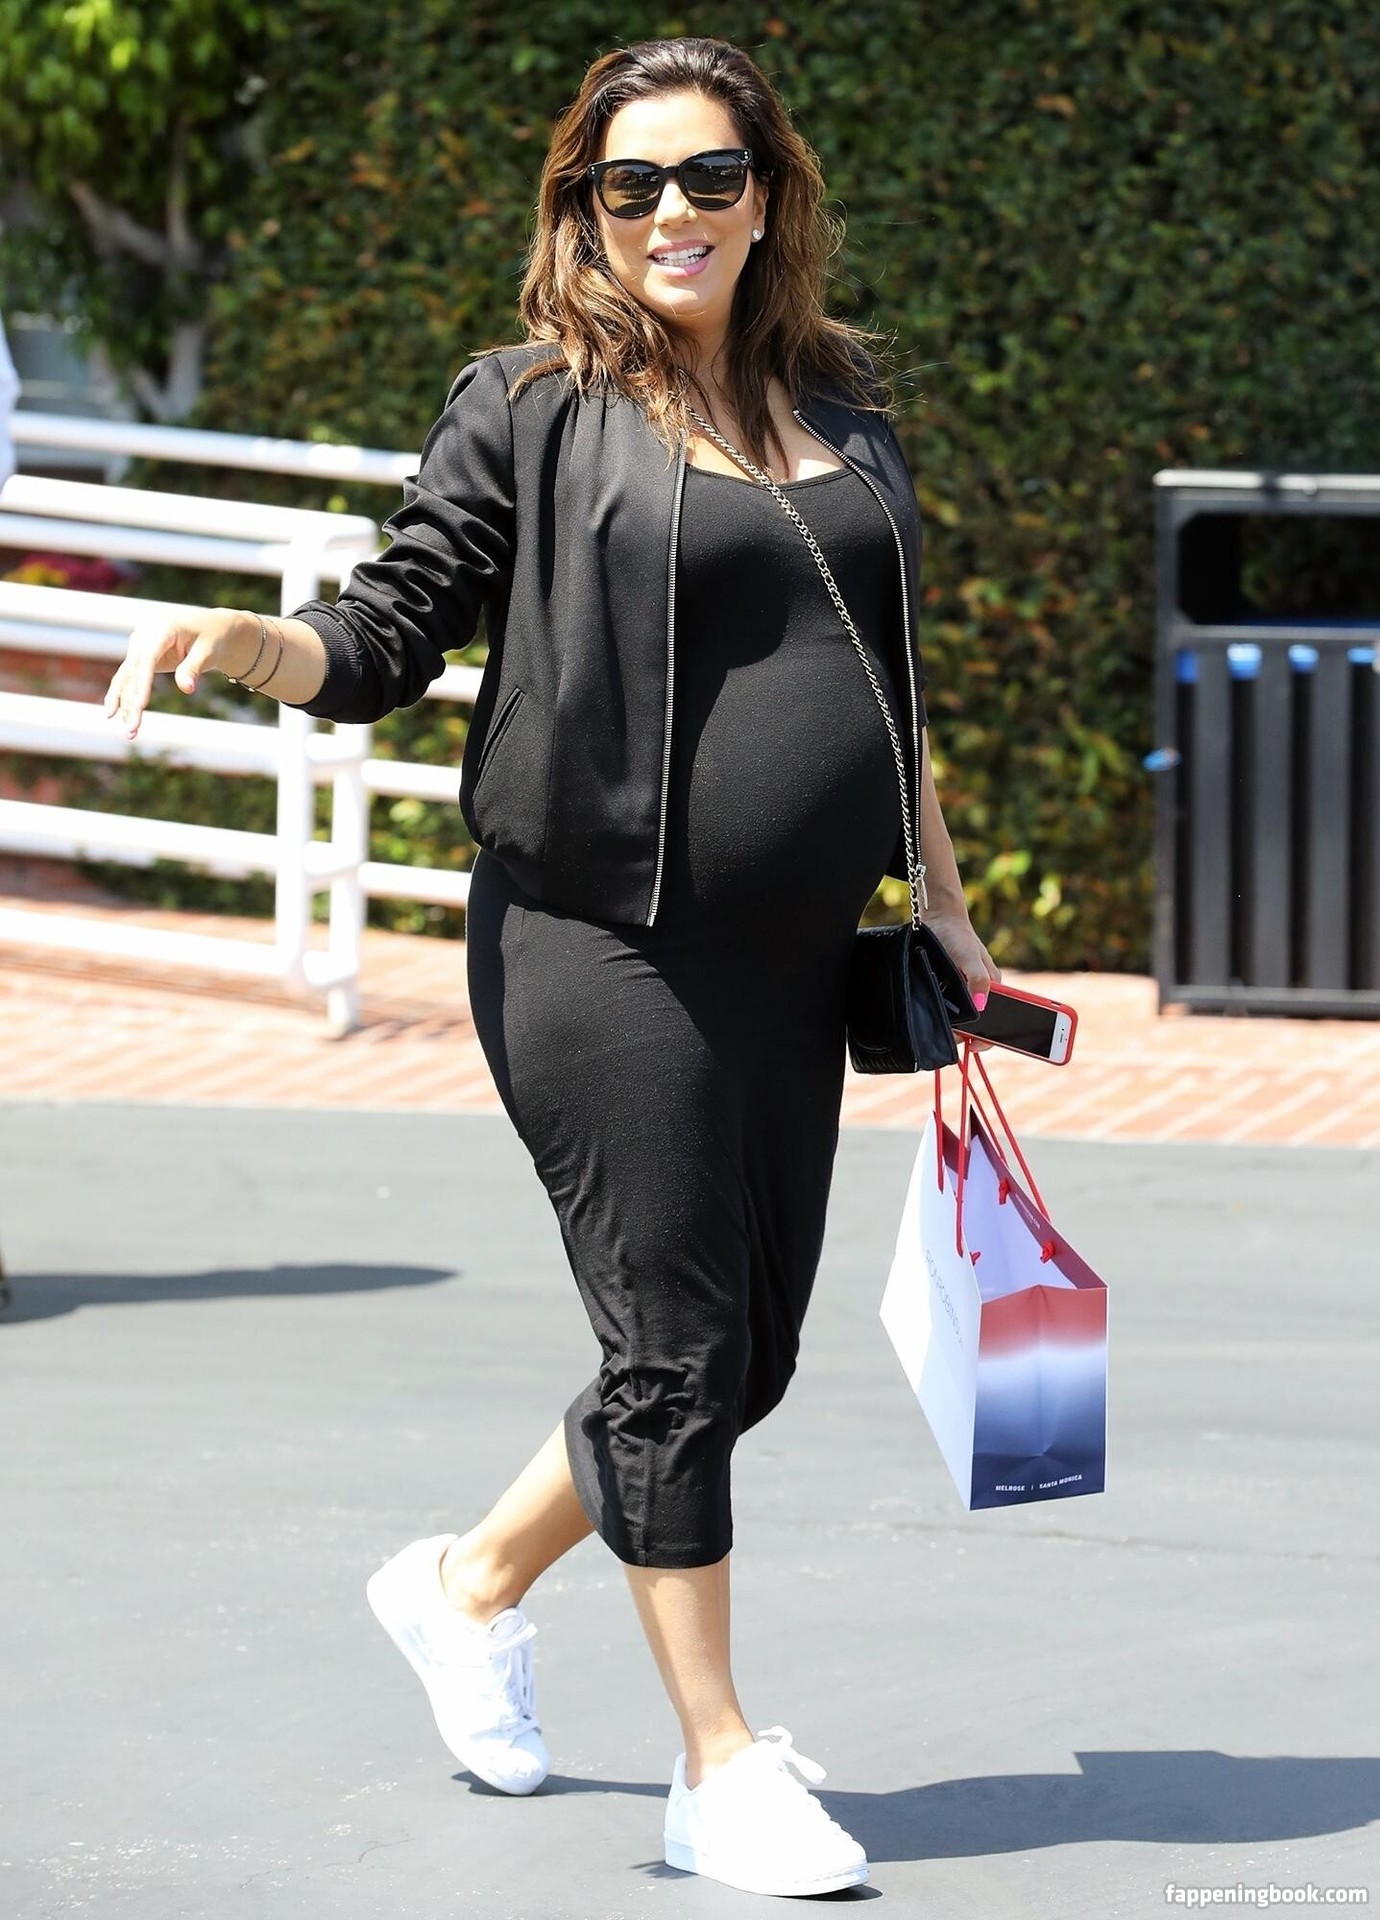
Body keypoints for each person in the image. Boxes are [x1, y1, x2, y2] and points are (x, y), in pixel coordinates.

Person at [105, 35, 999, 1900]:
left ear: (770, 193)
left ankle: (464, 1587)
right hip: (600, 942)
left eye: (711, 176)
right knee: (674, 1348)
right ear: (582, 210)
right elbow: (390, 624)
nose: (674, 212)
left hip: (792, 961)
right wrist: (254, 645)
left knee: (743, 1360)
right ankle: (718, 1768)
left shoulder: (843, 401)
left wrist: (948, 904)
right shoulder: (527, 405)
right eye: (631, 183)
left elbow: (889, 684)